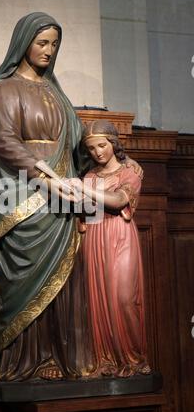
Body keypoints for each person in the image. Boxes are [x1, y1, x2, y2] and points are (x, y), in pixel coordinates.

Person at [0, 12, 95, 381]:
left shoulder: (57, 92)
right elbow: (5, 141)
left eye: (54, 44)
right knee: (28, 280)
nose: (49, 50)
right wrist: (48, 178)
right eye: (42, 42)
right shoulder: (6, 87)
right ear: (24, 42)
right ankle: (29, 361)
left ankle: (65, 358)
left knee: (68, 281)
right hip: (25, 196)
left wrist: (111, 163)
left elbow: (77, 144)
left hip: (64, 200)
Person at [72, 120, 151, 377]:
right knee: (98, 300)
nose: (98, 152)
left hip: (119, 235)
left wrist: (85, 191)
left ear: (114, 144)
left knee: (124, 298)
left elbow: (119, 201)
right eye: (92, 148)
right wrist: (72, 199)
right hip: (95, 237)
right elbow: (87, 211)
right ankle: (106, 360)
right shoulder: (91, 176)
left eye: (102, 145)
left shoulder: (130, 172)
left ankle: (134, 359)